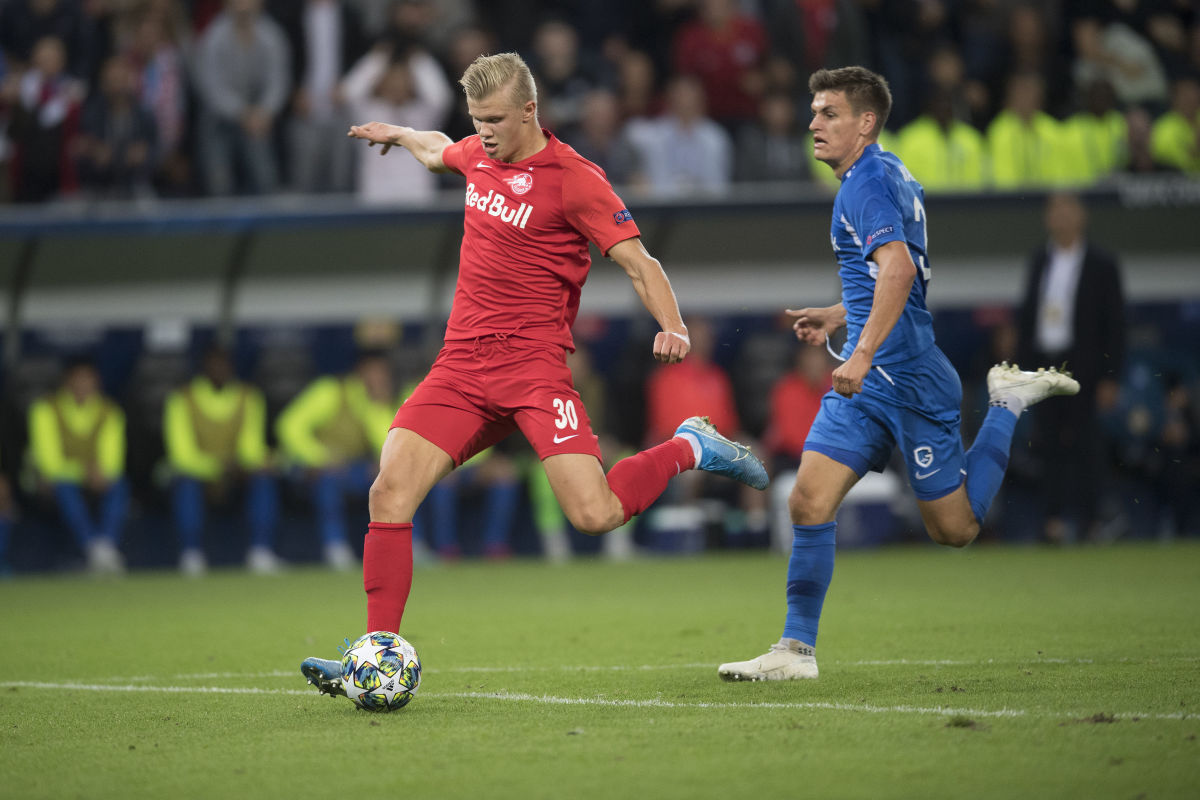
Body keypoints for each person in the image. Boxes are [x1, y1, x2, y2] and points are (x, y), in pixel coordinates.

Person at [300, 51, 768, 696]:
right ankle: (375, 653)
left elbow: (638, 261)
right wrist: (402, 135)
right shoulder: (479, 155)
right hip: (460, 368)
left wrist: (674, 325)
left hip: (533, 372)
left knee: (595, 514)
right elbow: (443, 150)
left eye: (494, 119)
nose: (484, 132)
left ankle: (691, 444)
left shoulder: (576, 179)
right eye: (475, 119)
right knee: (389, 492)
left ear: (530, 110)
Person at [716, 67, 1080, 682]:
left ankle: (1007, 402)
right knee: (807, 501)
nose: (813, 123)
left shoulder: (865, 186)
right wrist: (840, 315)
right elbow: (886, 276)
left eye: (828, 113)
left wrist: (858, 355)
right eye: (813, 111)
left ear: (865, 122)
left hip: (907, 379)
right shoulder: (883, 173)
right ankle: (795, 651)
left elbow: (901, 271)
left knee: (956, 529)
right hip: (869, 382)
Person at [1015, 192, 1125, 544]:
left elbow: (1115, 324)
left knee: (1086, 444)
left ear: (1082, 216)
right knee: (1048, 444)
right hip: (1045, 366)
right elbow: (1027, 317)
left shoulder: (1101, 263)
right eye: (1053, 211)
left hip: (1085, 367)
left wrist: (1111, 377)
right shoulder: (1039, 260)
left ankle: (1092, 522)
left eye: (1066, 210)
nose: (1059, 217)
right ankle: (1053, 522)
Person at [275, 350, 400, 570]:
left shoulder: (372, 402)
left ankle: (399, 548)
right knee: (328, 478)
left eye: (384, 373)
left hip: (349, 469)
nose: (380, 378)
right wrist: (320, 458)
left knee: (394, 478)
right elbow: (288, 426)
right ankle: (335, 547)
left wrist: (379, 407)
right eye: (375, 372)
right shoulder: (330, 390)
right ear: (360, 371)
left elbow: (387, 445)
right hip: (304, 466)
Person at [163, 346, 282, 576]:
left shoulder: (249, 395)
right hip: (196, 473)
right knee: (185, 481)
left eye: (224, 364)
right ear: (202, 367)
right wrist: (216, 468)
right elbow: (181, 454)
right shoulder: (181, 398)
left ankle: (260, 551)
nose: (219, 370)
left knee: (263, 478)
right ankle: (191, 553)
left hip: (234, 472)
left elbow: (250, 444)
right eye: (213, 365)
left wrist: (258, 461)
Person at [27, 358, 128, 574]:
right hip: (49, 483)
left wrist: (101, 473)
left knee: (119, 485)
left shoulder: (110, 411)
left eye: (88, 379)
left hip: (94, 482)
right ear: (67, 381)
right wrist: (83, 470)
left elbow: (113, 461)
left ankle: (107, 545)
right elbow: (49, 462)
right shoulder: (45, 409)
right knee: (64, 486)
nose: (83, 384)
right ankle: (93, 548)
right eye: (78, 379)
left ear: (97, 381)